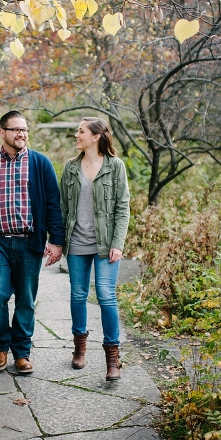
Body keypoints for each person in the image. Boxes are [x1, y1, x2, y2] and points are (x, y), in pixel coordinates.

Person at [0, 110, 64, 375]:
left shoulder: (40, 163)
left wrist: (56, 240)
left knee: (25, 300)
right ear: (3, 132)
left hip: (28, 242)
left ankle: (21, 353)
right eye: (16, 129)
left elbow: (53, 205)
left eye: (24, 129)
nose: (21, 134)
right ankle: (0, 347)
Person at [59, 117, 130, 381]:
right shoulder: (70, 167)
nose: (76, 135)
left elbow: (122, 207)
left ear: (96, 136)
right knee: (78, 295)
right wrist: (57, 241)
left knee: (106, 295)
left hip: (106, 243)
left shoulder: (115, 166)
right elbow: (63, 207)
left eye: (81, 131)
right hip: (77, 241)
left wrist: (117, 244)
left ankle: (112, 358)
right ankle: (79, 348)